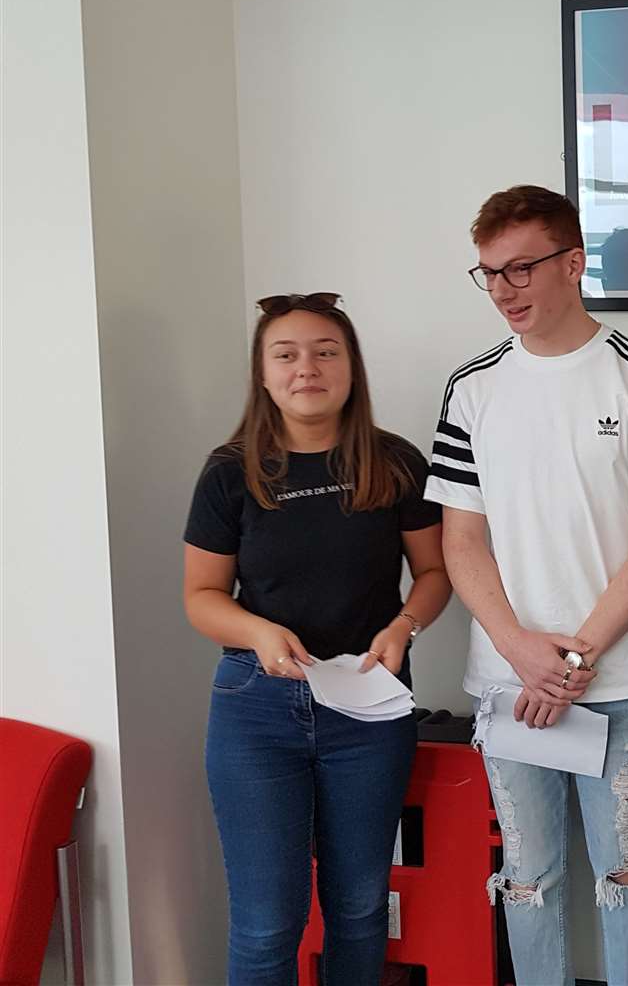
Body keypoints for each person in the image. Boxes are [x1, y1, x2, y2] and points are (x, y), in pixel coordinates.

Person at [425, 185, 628, 986]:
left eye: (520, 269)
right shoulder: (471, 388)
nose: (505, 291)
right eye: (489, 275)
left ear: (574, 263)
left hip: (622, 685)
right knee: (527, 880)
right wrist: (523, 654)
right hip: (508, 685)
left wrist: (573, 663)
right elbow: (461, 538)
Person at [183, 292, 450, 986]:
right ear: (263, 374)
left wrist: (404, 626)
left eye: (326, 351)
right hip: (257, 709)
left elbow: (434, 572)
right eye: (287, 354)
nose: (308, 367)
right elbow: (202, 598)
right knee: (269, 920)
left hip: (367, 707)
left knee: (359, 907)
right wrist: (258, 629)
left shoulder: (395, 463)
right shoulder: (229, 473)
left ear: (352, 368)